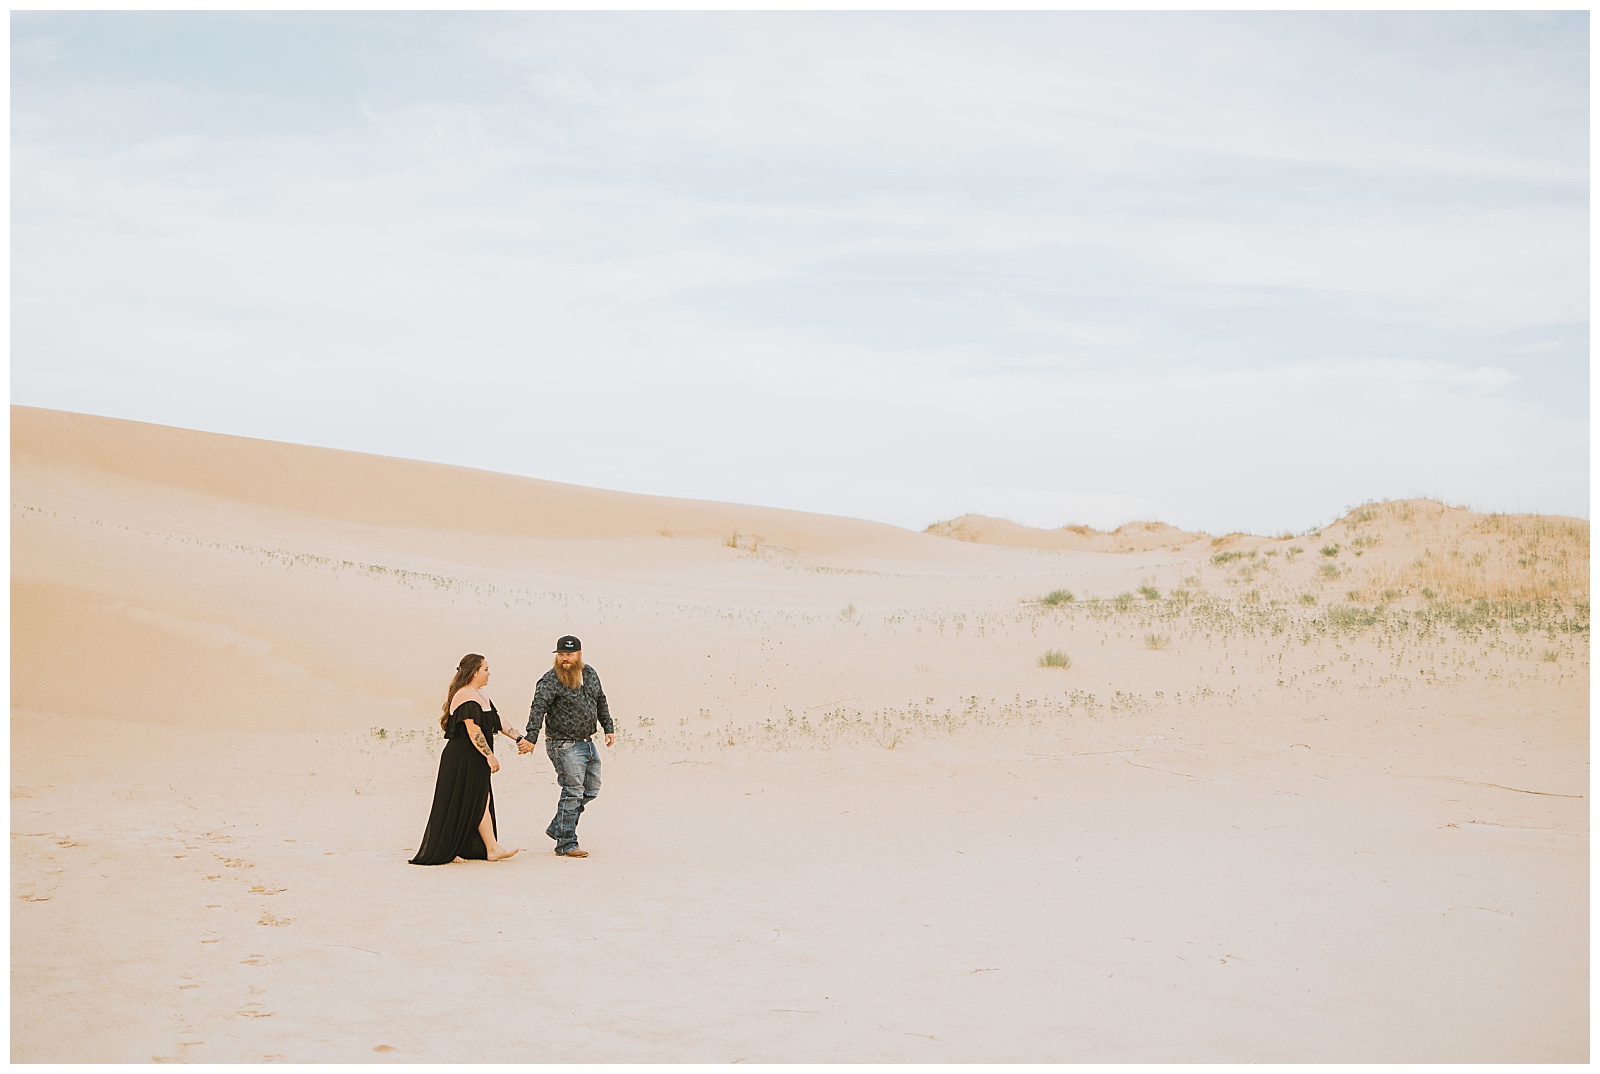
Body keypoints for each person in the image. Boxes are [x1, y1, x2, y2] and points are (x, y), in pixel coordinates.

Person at [409, 654, 523, 865]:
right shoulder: (465, 696)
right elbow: (473, 730)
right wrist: (490, 756)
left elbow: (497, 720)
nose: (489, 673)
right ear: (474, 672)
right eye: (486, 669)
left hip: (474, 756)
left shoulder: (481, 696)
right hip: (462, 757)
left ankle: (490, 848)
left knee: (480, 799)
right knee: (471, 800)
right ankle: (487, 848)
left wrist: (518, 738)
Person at [518, 635, 614, 858]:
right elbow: (538, 706)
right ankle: (566, 843)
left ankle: (559, 826)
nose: (564, 659)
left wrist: (608, 727)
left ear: (579, 654)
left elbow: (601, 700)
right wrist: (531, 736)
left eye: (569, 654)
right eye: (561, 654)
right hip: (562, 744)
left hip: (587, 742)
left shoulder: (589, 673)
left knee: (590, 789)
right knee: (572, 791)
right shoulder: (551, 679)